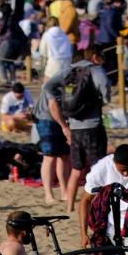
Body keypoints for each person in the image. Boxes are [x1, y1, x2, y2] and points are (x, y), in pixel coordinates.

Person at [45, 47, 111, 213]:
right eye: (101, 57)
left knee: (76, 170)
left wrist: (58, 99)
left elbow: (48, 86)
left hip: (74, 127)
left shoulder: (69, 70)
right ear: (94, 57)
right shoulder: (95, 69)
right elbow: (104, 85)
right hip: (93, 126)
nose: (102, 61)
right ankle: (98, 207)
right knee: (99, 168)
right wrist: (104, 100)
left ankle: (69, 207)